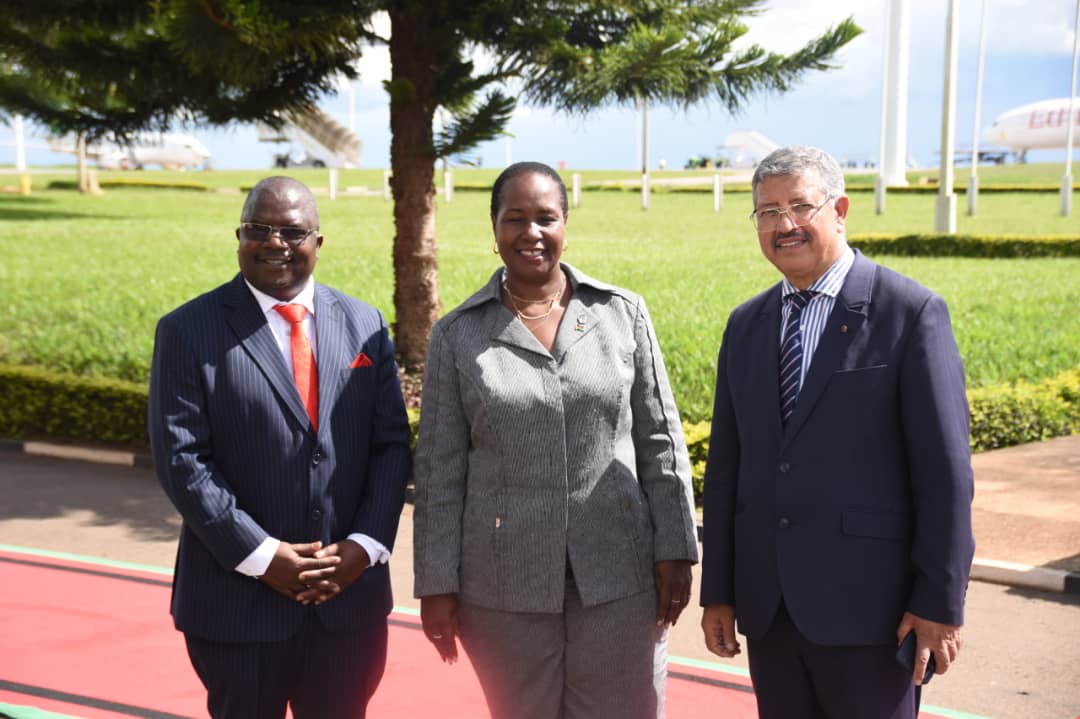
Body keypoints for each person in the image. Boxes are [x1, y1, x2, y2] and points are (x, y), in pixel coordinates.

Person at [413, 161, 699, 719]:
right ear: (494, 228)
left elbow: (660, 440)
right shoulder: (457, 335)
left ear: (566, 223)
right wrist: (436, 582)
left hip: (620, 574)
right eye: (514, 218)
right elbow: (440, 472)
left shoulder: (620, 314)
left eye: (546, 217)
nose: (531, 232)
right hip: (503, 585)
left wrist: (676, 548)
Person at [699, 146, 975, 718]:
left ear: (840, 210)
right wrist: (719, 592)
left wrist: (939, 602)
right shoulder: (746, 325)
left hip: (872, 614)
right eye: (768, 212)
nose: (785, 225)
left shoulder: (909, 313)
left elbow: (945, 475)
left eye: (801, 206)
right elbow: (727, 469)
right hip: (770, 613)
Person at [148, 176, 411, 719]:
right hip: (237, 607)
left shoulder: (364, 324)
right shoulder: (187, 331)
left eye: (292, 231)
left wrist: (363, 546)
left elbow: (390, 445)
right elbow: (183, 462)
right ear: (238, 237)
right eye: (258, 229)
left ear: (318, 241)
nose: (274, 243)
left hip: (347, 604)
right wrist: (265, 557)